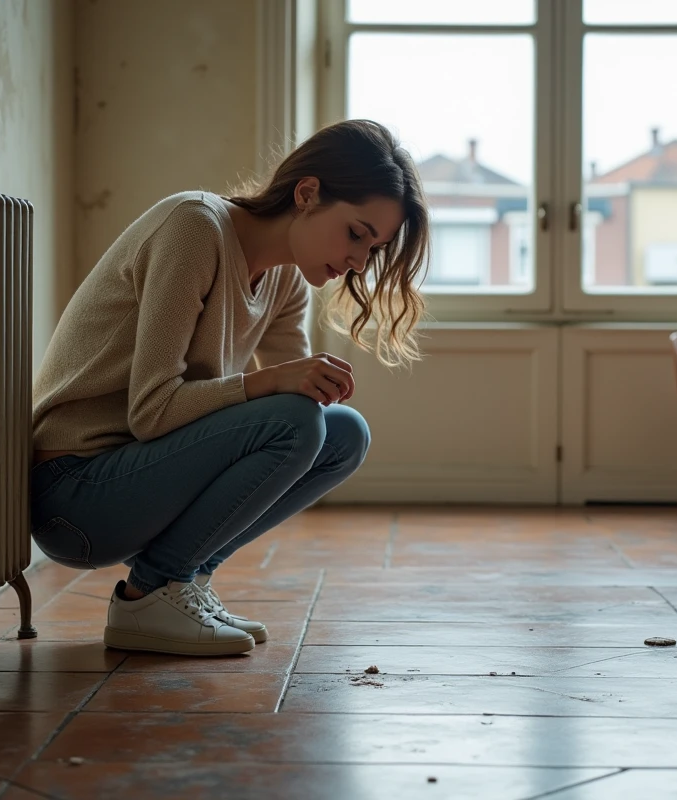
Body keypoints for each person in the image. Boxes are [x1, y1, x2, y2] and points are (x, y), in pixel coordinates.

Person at [29, 119, 429, 656]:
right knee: (296, 421)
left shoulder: (288, 279)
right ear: (307, 193)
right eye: (356, 233)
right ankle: (151, 592)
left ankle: (179, 582)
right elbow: (153, 411)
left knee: (343, 434)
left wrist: (299, 386)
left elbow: (296, 409)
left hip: (140, 474)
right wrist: (273, 383)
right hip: (76, 495)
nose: (359, 262)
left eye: (373, 249)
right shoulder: (194, 228)